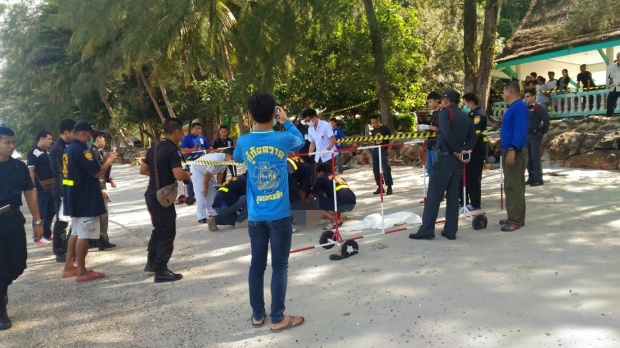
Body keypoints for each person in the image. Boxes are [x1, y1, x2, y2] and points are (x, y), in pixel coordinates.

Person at [233, 92, 305, 333]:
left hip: (255, 216)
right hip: (279, 214)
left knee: (257, 265)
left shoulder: (244, 141)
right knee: (280, 266)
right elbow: (300, 141)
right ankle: (277, 317)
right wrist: (286, 121)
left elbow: (236, 156)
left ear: (251, 115)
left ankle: (257, 314)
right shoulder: (282, 138)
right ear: (274, 113)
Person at [409, 90, 477, 241]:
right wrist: (463, 151)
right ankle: (451, 230)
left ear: (446, 101)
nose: (441, 103)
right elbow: (473, 138)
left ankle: (427, 229)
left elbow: (446, 133)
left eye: (442, 100)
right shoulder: (465, 116)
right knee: (453, 196)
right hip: (457, 162)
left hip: (445, 158)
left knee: (434, 195)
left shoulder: (444, 113)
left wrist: (456, 150)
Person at [61, 121, 118, 282]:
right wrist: (109, 160)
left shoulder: (68, 149)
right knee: (84, 234)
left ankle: (68, 267)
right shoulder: (82, 150)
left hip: (74, 195)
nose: (92, 137)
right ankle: (81, 271)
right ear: (83, 133)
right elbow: (95, 173)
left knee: (76, 231)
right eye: (90, 134)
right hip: (84, 197)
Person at [0, 127, 44, 330]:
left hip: (13, 219)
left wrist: (38, 221)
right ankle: (1, 309)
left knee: (18, 264)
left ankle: (3, 287)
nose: (11, 146)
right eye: (7, 142)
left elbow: (30, 193)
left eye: (12, 142)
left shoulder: (18, 166)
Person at [140, 118, 191, 283]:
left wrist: (160, 174)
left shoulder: (153, 148)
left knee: (158, 228)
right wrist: (187, 175)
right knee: (167, 231)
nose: (182, 136)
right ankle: (161, 270)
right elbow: (178, 174)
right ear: (176, 131)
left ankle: (152, 262)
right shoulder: (172, 150)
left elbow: (143, 170)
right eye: (181, 132)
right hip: (163, 198)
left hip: (151, 193)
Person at [498, 82, 529, 232]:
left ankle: (515, 219)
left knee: (513, 185)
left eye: (503, 92)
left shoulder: (519, 106)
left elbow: (520, 129)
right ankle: (515, 216)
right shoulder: (514, 107)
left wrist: (513, 148)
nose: (502, 95)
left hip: (514, 150)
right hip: (510, 148)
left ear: (510, 92)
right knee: (514, 183)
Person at [50, 118, 75, 262]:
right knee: (62, 221)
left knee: (73, 220)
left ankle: (69, 248)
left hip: (70, 187)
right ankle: (59, 251)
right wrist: (63, 192)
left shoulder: (70, 146)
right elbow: (58, 173)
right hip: (61, 191)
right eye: (73, 132)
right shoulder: (56, 149)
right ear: (66, 132)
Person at [306, 163, 356, 230]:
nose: (318, 176)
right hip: (352, 203)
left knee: (314, 203)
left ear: (320, 172)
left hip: (342, 204)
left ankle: (334, 220)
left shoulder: (321, 179)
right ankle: (339, 219)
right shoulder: (338, 178)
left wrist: (305, 205)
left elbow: (311, 197)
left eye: (318, 174)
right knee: (335, 198)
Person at [26, 130, 55, 244]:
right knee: (40, 212)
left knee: (51, 210)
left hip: (50, 187)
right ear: (41, 139)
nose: (51, 141)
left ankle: (47, 233)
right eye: (49, 139)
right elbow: (31, 171)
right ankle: (37, 237)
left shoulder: (47, 153)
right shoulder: (33, 152)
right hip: (40, 188)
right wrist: (33, 188)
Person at [460, 93, 487, 211]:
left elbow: (475, 135)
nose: (465, 106)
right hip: (471, 151)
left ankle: (475, 203)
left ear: (471, 103)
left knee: (474, 178)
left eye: (465, 103)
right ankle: (467, 200)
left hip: (476, 151)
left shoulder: (478, 116)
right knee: (469, 177)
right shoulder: (471, 114)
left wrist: (468, 148)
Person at [90, 133, 117, 250]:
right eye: (104, 140)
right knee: (103, 214)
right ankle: (102, 240)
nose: (105, 143)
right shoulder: (93, 152)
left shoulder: (97, 151)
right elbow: (96, 172)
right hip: (97, 187)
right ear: (98, 138)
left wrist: (109, 179)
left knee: (99, 215)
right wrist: (102, 188)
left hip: (99, 185)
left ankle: (97, 240)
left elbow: (102, 169)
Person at [189, 151, 228, 230]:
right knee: (202, 193)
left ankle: (213, 213)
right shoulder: (215, 159)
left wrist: (218, 185)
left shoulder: (226, 161)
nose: (232, 160)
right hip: (197, 170)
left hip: (207, 172)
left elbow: (220, 173)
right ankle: (201, 216)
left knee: (213, 192)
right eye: (232, 158)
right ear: (227, 155)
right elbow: (207, 174)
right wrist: (205, 188)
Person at [523, 89, 549, 187]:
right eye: (525, 96)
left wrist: (543, 131)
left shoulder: (538, 107)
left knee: (535, 157)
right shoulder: (525, 108)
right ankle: (531, 177)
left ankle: (538, 179)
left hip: (535, 135)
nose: (526, 98)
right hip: (526, 135)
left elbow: (546, 119)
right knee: (528, 158)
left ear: (534, 96)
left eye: (528, 96)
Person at [302, 108, 336, 184]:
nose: (307, 123)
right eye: (306, 121)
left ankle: (330, 194)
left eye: (308, 120)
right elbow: (312, 143)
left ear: (314, 117)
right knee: (316, 178)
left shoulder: (325, 125)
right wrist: (309, 155)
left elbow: (333, 140)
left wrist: (327, 150)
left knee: (328, 178)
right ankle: (318, 195)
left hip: (328, 156)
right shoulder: (310, 129)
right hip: (318, 156)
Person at [180, 122, 211, 201]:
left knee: (203, 176)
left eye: (200, 129)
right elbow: (183, 150)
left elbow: (208, 148)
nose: (199, 130)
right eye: (197, 128)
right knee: (190, 176)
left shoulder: (202, 138)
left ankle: (203, 192)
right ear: (192, 129)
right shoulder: (187, 138)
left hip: (201, 160)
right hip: (190, 161)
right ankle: (191, 196)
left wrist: (205, 154)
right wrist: (192, 150)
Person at [418, 91, 442, 175]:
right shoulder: (434, 113)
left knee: (436, 170)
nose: (429, 104)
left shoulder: (442, 113)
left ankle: (436, 188)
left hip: (437, 145)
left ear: (437, 100)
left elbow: (442, 129)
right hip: (430, 144)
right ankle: (432, 187)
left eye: (430, 102)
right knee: (430, 170)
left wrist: (427, 127)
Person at [369, 115, 393, 195]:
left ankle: (389, 186)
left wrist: (389, 149)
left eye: (374, 123)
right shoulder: (373, 130)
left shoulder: (385, 128)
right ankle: (380, 187)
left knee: (386, 168)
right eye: (372, 123)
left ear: (378, 121)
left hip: (383, 150)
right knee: (376, 170)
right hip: (375, 150)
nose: (373, 124)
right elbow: (373, 140)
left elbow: (391, 139)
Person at [606, 52, 620, 117]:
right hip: (614, 88)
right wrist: (609, 85)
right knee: (610, 102)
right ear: (617, 58)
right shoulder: (613, 66)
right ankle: (608, 117)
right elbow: (611, 78)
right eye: (618, 56)